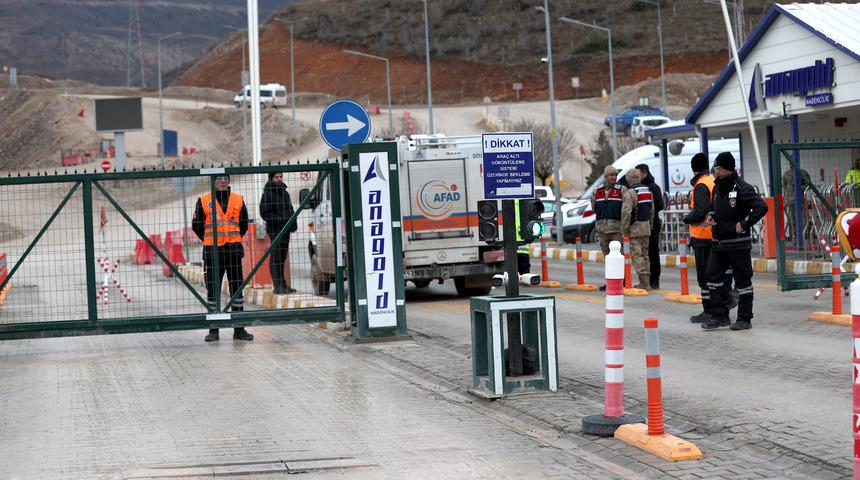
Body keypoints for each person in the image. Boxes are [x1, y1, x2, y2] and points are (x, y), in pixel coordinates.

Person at [701, 152, 768, 331]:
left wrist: (745, 223)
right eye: (715, 168)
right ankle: (719, 315)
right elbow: (713, 207)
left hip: (738, 244)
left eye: (718, 169)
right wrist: (711, 214)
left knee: (743, 281)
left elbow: (762, 207)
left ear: (727, 169)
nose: (716, 172)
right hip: (719, 242)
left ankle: (744, 318)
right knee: (712, 276)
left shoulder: (742, 187)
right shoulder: (717, 187)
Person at [192, 174, 254, 342]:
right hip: (213, 253)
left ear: (229, 180)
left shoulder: (238, 200)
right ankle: (214, 330)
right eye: (219, 178)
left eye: (225, 178)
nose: (222, 181)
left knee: (237, 292)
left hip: (233, 252)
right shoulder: (203, 201)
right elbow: (196, 226)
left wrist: (232, 239)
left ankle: (239, 329)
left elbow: (243, 225)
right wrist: (210, 239)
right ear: (213, 182)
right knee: (213, 291)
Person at [683, 153, 716, 323]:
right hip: (712, 235)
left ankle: (708, 311)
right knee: (713, 274)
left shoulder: (700, 185)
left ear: (693, 167)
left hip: (703, 237)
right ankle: (717, 307)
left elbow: (700, 211)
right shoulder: (711, 181)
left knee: (704, 276)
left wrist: (687, 218)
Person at [260, 172, 298, 294]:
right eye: (276, 177)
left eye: (281, 177)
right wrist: (281, 221)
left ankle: (283, 284)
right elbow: (265, 213)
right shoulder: (267, 194)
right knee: (276, 257)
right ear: (271, 178)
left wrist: (293, 223)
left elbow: (290, 210)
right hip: (275, 230)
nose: (279, 179)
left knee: (282, 256)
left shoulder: (285, 193)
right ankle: (277, 285)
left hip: (286, 229)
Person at [591, 166, 624, 290]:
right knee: (607, 257)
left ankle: (622, 281)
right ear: (606, 176)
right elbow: (594, 207)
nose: (614, 177)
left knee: (618, 257)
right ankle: (610, 281)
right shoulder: (597, 191)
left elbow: (626, 209)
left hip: (616, 229)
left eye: (615, 175)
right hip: (602, 229)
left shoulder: (622, 190)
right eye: (611, 175)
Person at [620, 169, 654, 290]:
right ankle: (647, 281)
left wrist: (624, 230)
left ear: (628, 179)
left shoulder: (630, 192)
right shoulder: (647, 190)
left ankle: (644, 282)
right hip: (646, 227)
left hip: (634, 229)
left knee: (637, 255)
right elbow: (651, 210)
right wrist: (650, 225)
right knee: (645, 255)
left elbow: (626, 213)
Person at [636, 163, 664, 289]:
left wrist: (647, 211)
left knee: (652, 252)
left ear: (644, 173)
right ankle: (646, 281)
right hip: (643, 224)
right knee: (644, 253)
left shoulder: (653, 187)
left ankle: (654, 280)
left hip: (652, 224)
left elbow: (660, 205)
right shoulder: (640, 187)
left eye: (638, 173)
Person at [782, 162, 810, 242]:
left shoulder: (802, 173)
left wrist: (800, 188)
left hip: (800, 200)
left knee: (803, 217)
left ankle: (805, 234)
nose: (791, 164)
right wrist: (785, 199)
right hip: (790, 200)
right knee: (792, 219)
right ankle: (795, 235)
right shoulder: (786, 174)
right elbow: (784, 187)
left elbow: (808, 184)